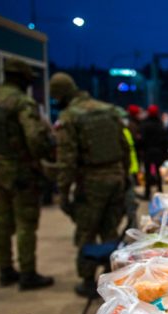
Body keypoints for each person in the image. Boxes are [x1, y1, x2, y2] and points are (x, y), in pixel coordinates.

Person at [0, 57, 55, 290]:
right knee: (26, 223)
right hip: (21, 172)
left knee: (2, 222)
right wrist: (44, 153)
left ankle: (5, 270)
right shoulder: (22, 103)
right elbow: (35, 139)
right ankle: (28, 273)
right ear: (22, 78)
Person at [50, 72, 129, 297]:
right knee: (110, 229)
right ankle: (114, 280)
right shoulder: (108, 110)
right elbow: (124, 147)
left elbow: (67, 160)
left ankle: (87, 281)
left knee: (86, 231)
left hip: (91, 182)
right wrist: (125, 178)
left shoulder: (70, 117)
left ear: (60, 96)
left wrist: (63, 192)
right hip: (116, 177)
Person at [139, 104, 168, 198]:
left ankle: (147, 193)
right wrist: (165, 152)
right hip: (158, 151)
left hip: (148, 151)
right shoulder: (160, 124)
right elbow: (165, 140)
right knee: (158, 171)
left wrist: (141, 150)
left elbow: (142, 140)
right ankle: (160, 191)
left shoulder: (144, 125)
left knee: (148, 172)